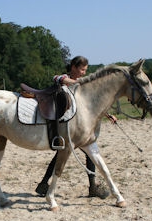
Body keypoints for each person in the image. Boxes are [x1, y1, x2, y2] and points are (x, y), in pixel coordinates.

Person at [35, 55, 116, 199]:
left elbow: (92, 105)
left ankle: (44, 184)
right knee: (68, 155)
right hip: (65, 125)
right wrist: (79, 82)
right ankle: (45, 184)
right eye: (82, 69)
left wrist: (107, 114)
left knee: (86, 154)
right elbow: (58, 79)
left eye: (86, 70)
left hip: (79, 126)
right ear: (74, 67)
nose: (84, 73)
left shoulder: (82, 83)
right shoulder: (63, 78)